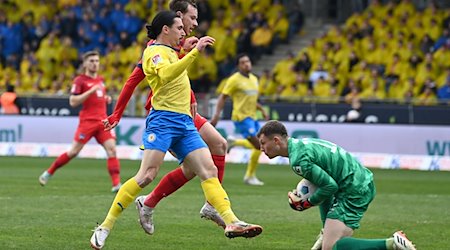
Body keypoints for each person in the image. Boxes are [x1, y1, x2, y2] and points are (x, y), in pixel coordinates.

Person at [90, 11, 262, 250]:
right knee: (147, 175)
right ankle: (105, 226)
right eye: (179, 27)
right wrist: (194, 52)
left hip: (185, 123)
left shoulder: (171, 52)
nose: (184, 31)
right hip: (162, 121)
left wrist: (184, 51)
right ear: (165, 29)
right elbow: (168, 75)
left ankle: (232, 221)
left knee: (209, 169)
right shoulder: (153, 52)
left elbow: (176, 67)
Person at [102, 0, 227, 230]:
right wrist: (117, 114)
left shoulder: (179, 45)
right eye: (192, 18)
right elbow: (135, 80)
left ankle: (152, 203)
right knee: (163, 170)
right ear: (177, 18)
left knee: (213, 151)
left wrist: (190, 92)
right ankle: (153, 203)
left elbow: (179, 73)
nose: (194, 24)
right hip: (166, 112)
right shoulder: (155, 48)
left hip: (183, 111)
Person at [257, 120, 416, 250]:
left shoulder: (299, 161)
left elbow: (329, 187)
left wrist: (307, 203)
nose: (261, 148)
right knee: (336, 243)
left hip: (353, 189)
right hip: (359, 182)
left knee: (331, 247)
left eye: (263, 143)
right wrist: (325, 226)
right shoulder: (301, 144)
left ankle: (393, 244)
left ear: (276, 140)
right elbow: (323, 188)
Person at [38, 51, 121, 193]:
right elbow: (73, 101)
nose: (95, 63)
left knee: (112, 150)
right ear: (85, 64)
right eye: (92, 61)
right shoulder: (80, 81)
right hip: (87, 122)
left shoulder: (100, 80)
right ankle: (49, 172)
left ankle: (116, 185)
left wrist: (105, 98)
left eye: (97, 61)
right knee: (73, 152)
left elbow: (98, 97)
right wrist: (90, 92)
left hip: (102, 122)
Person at [210, 54, 269, 186]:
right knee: (259, 145)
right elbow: (222, 97)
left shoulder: (254, 79)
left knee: (260, 146)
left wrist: (262, 109)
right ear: (238, 66)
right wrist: (217, 115)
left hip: (253, 116)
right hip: (241, 117)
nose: (246, 64)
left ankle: (248, 173)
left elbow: (252, 99)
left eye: (248, 61)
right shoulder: (234, 80)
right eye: (243, 62)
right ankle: (249, 174)